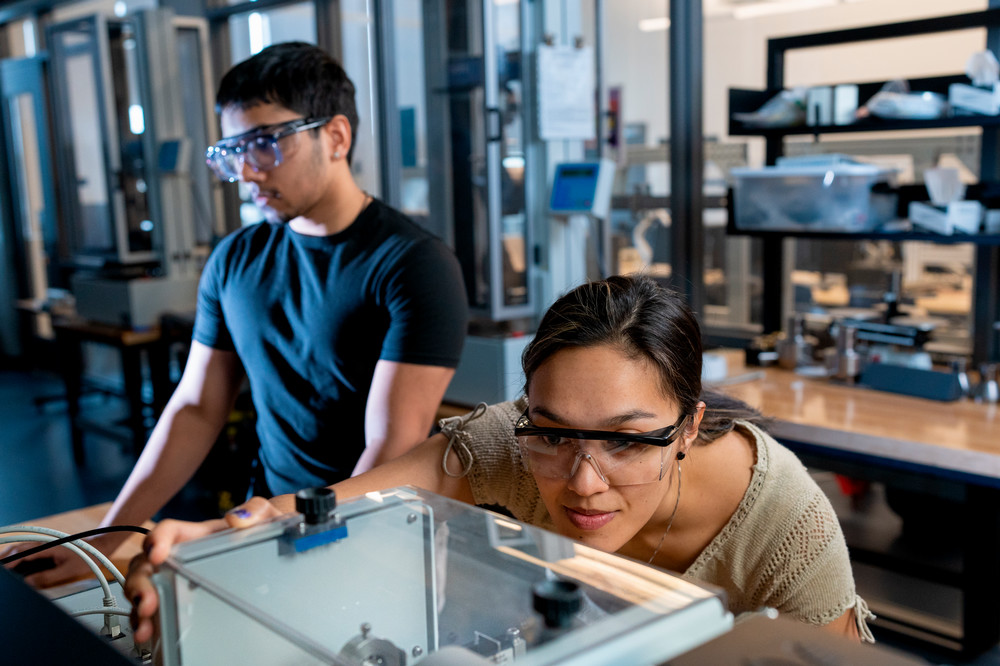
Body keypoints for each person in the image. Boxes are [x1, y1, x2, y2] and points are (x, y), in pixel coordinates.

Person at [126, 275, 873, 644]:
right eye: (552, 433)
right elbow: (343, 501)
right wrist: (225, 534)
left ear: (688, 427)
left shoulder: (781, 518)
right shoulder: (509, 443)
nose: (583, 482)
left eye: (626, 440)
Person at [6, 42, 467, 587]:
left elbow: (390, 451)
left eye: (266, 143)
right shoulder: (236, 261)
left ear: (336, 136)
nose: (247, 171)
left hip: (374, 531)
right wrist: (106, 541)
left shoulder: (414, 265)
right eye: (233, 150)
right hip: (263, 519)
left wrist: (288, 543)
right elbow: (198, 407)